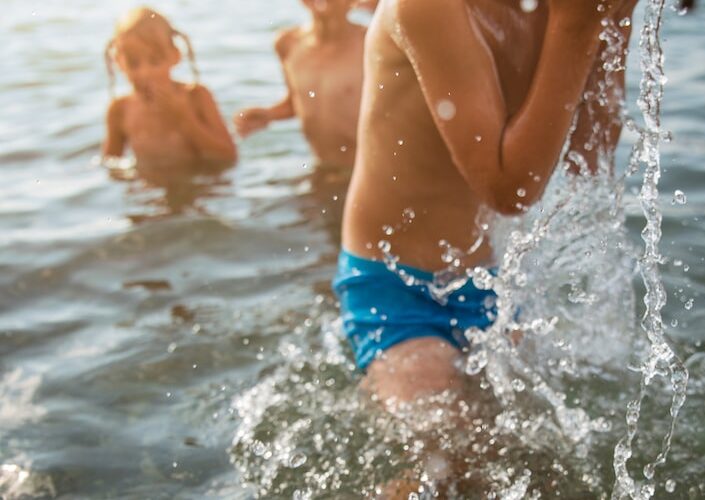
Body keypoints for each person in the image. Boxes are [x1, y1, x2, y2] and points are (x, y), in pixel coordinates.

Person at [333, 0, 639, 408]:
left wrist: (609, 19)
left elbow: (591, 155)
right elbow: (507, 190)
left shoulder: (550, 12)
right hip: (396, 286)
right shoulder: (426, 8)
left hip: (488, 282)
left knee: (535, 454)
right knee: (440, 457)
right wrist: (576, 29)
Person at [102, 7, 237, 178]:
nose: (145, 73)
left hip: (200, 188)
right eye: (134, 63)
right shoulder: (119, 110)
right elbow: (110, 164)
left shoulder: (196, 96)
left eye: (155, 61)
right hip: (149, 194)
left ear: (175, 55)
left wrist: (184, 118)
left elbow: (229, 155)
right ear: (119, 62)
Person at [233, 0, 368, 170]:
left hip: (365, 171)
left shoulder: (369, 43)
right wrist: (268, 114)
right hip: (320, 167)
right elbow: (296, 102)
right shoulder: (288, 43)